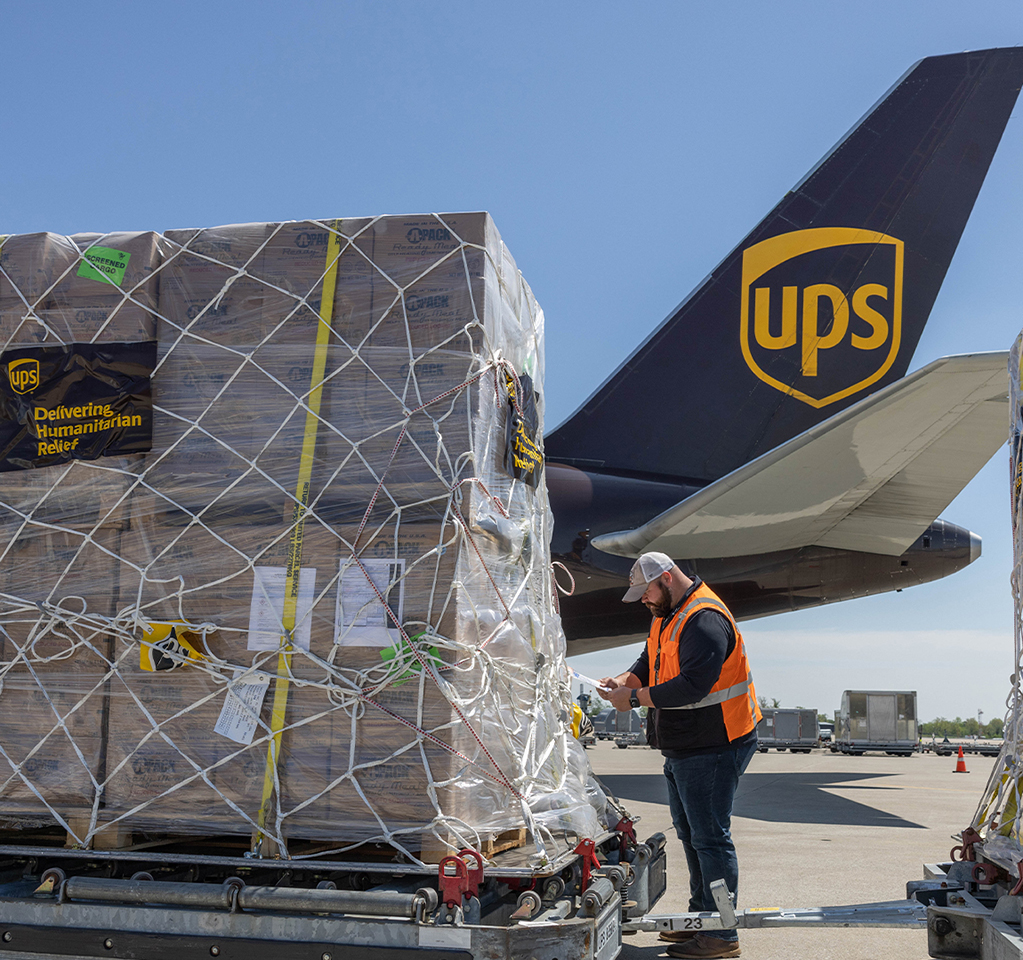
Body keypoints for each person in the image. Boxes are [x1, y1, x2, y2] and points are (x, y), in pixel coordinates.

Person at [598, 552, 761, 959]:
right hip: (688, 746)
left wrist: (632, 698)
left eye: (646, 591)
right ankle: (700, 920)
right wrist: (626, 678)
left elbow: (692, 686)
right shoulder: (668, 614)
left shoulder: (704, 620)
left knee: (710, 838)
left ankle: (722, 934)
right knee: (692, 836)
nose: (642, 600)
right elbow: (650, 659)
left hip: (716, 745)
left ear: (667, 579)